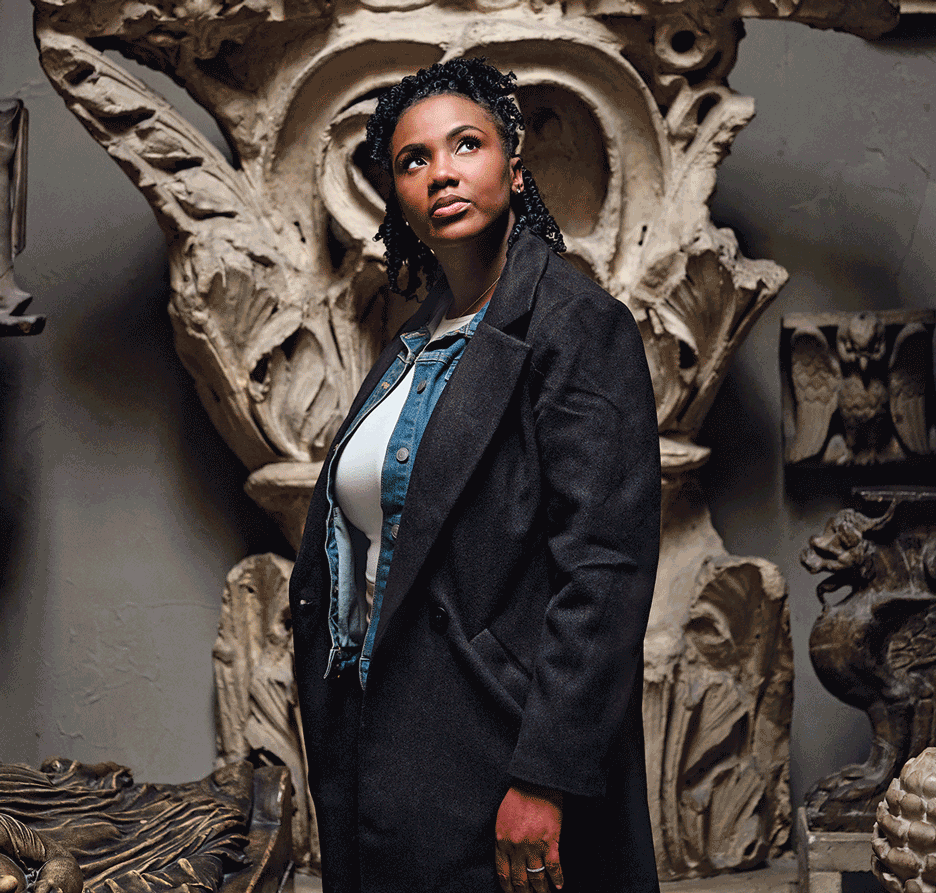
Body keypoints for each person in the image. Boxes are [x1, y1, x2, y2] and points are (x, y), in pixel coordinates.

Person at [289, 57, 661, 893]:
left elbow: (604, 568)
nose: (442, 172)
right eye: (413, 159)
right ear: (397, 197)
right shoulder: (414, 342)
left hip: (496, 747)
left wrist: (544, 777)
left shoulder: (575, 325)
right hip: (380, 736)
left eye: (466, 145)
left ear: (515, 170)